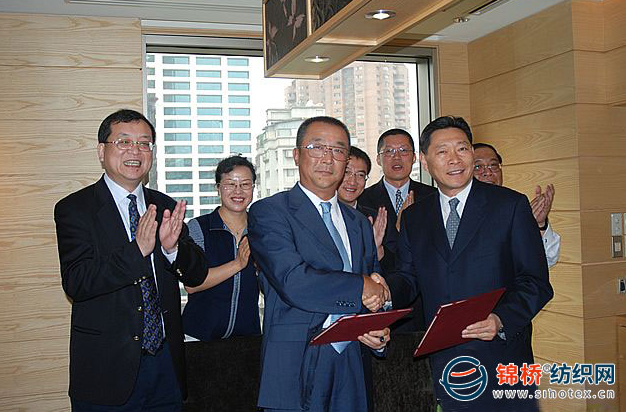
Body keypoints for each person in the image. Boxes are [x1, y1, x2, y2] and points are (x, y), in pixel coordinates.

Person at [385, 116, 553, 411]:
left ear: (472, 153)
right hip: (444, 361)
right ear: (424, 161)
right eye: (442, 151)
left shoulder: (510, 206)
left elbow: (535, 281)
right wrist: (383, 292)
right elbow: (408, 279)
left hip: (502, 356)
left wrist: (500, 319)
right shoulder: (415, 217)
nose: (454, 159)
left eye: (462, 149)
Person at [54, 109, 208, 410]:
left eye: (144, 143)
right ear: (102, 151)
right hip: (106, 368)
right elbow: (77, 282)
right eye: (124, 142)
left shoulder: (164, 205)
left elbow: (197, 275)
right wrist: (137, 251)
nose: (135, 151)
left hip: (166, 364)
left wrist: (172, 249)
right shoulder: (75, 209)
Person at [248, 116, 390, 412]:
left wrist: (377, 326)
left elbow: (375, 285)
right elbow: (293, 282)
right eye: (317, 147)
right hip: (298, 359)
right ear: (296, 155)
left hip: (353, 356)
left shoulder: (358, 223)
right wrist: (361, 286)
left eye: (338, 150)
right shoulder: (270, 212)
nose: (328, 158)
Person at [357, 128, 436, 331]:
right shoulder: (362, 199)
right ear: (378, 159)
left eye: (403, 150)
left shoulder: (433, 197)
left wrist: (408, 228)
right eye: (389, 151)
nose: (397, 157)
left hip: (424, 302)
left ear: (415, 157)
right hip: (379, 304)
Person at [182, 156, 261, 341]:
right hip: (198, 337)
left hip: (247, 337)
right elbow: (192, 284)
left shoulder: (261, 230)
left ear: (253, 188)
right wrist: (238, 264)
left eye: (245, 184)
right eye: (230, 184)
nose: (238, 191)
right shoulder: (198, 227)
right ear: (218, 188)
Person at [473, 142, 561, 267]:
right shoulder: (456, 211)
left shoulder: (514, 207)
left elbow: (548, 260)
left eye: (493, 165)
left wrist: (538, 224)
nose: (488, 172)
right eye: (478, 167)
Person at [338, 146, 387, 263]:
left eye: (360, 175)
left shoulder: (376, 219)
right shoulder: (321, 214)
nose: (352, 181)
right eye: (347, 172)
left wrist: (376, 251)